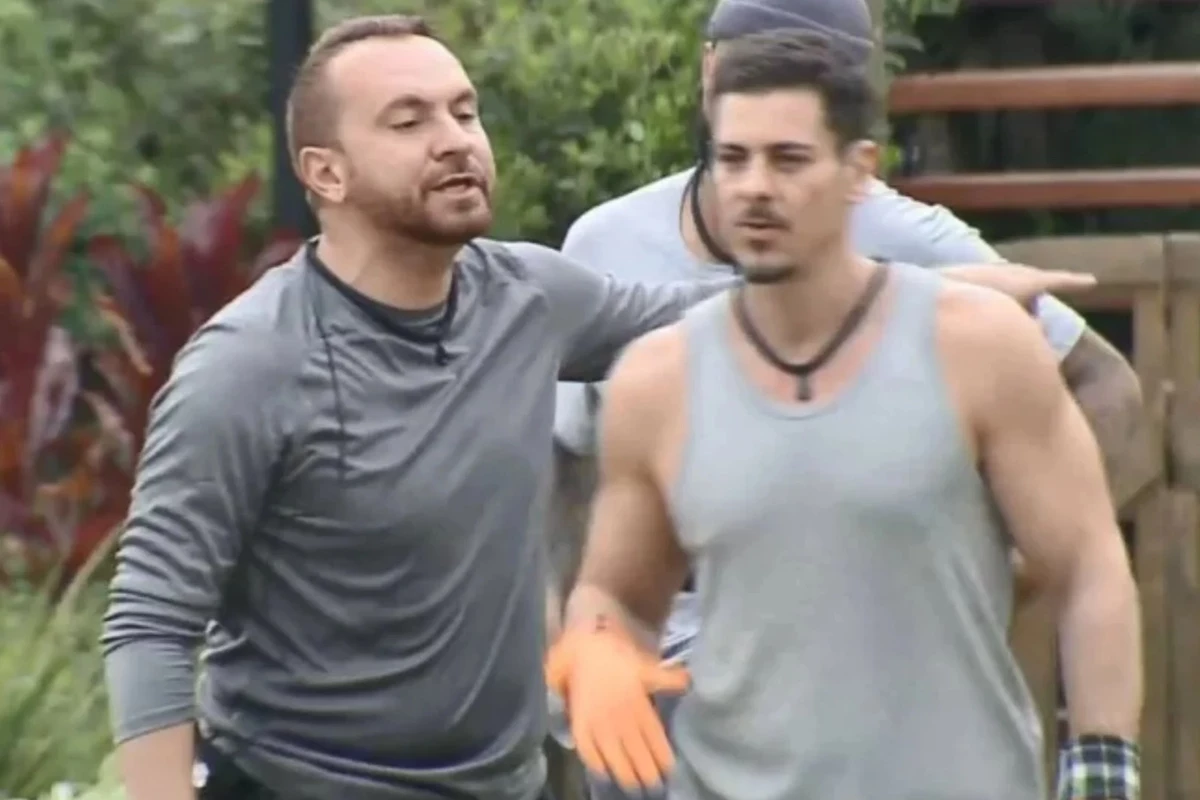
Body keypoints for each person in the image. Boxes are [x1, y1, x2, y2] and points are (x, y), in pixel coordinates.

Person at [100, 15, 743, 800]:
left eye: (464, 112)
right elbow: (151, 622)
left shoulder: (527, 298)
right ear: (326, 174)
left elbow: (707, 321)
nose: (455, 140)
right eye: (409, 122)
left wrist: (869, 279)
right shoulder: (250, 365)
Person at [547, 0, 1143, 793]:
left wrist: (1101, 766)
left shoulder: (977, 336)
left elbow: (1089, 562)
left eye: (788, 160)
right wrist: (595, 651)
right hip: (715, 747)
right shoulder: (657, 378)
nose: (755, 189)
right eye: (734, 160)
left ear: (859, 170)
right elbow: (612, 582)